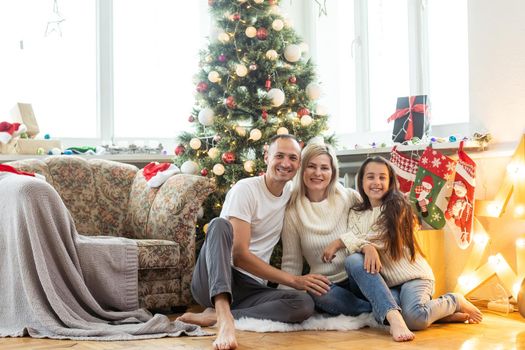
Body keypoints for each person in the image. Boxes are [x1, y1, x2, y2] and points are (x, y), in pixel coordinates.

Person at [178, 134, 331, 350]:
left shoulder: (291, 193)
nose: (286, 163)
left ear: (299, 163)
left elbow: (327, 188)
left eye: (293, 158)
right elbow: (239, 256)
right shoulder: (245, 189)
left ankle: (214, 316)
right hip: (216, 277)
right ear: (267, 155)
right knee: (219, 225)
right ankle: (223, 317)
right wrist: (294, 280)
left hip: (249, 288)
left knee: (303, 304)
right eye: (279, 156)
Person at [323, 156, 483, 339]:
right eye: (370, 177)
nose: (376, 182)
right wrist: (363, 246)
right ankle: (436, 315)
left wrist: (340, 242)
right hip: (385, 282)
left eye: (382, 177)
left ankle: (453, 301)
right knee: (356, 265)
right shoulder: (356, 212)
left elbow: (382, 239)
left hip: (413, 277)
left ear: (390, 182)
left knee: (414, 319)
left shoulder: (399, 206)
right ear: (361, 181)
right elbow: (356, 243)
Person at [280, 144, 414, 342]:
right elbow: (291, 262)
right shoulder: (292, 211)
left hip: (361, 277)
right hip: (328, 286)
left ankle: (392, 316)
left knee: (354, 260)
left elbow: (372, 227)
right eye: (311, 166)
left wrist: (367, 246)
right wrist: (285, 297)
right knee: (314, 292)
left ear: (333, 172)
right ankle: (382, 305)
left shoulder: (349, 197)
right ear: (302, 169)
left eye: (324, 168)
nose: (318, 173)